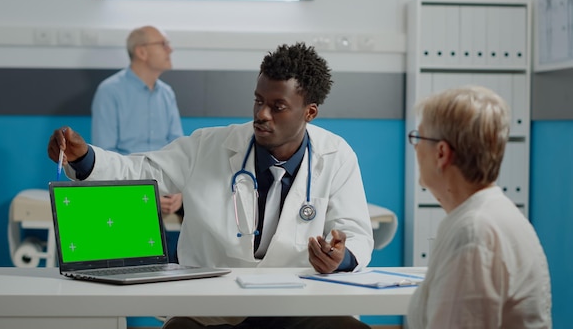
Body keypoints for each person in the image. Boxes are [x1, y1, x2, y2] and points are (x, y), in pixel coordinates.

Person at [48, 43, 374, 329]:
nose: (262, 114)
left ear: (310, 112)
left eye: (278, 106)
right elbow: (139, 169)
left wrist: (341, 258)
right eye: (258, 100)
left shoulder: (336, 155)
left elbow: (355, 233)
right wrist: (84, 158)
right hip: (213, 308)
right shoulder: (209, 145)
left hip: (297, 304)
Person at [406, 86, 552, 328]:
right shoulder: (491, 213)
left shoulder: (473, 231)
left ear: (441, 153)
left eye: (418, 137)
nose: (416, 147)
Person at [90, 26, 184, 260]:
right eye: (163, 44)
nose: (170, 49)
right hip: (127, 189)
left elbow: (180, 150)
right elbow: (106, 159)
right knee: (143, 227)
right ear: (142, 52)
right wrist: (146, 193)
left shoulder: (167, 94)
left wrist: (180, 190)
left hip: (165, 184)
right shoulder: (110, 92)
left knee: (206, 208)